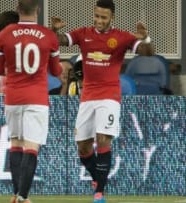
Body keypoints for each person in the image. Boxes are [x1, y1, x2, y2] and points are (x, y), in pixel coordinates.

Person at [51, 0, 152, 202]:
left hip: (109, 96)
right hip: (87, 96)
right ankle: (98, 178)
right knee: (83, 147)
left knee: (103, 138)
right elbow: (58, 41)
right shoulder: (83, 33)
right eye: (96, 16)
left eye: (103, 17)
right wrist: (53, 29)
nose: (99, 20)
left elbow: (148, 53)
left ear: (111, 18)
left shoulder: (121, 37)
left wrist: (146, 38)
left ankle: (99, 194)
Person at [0, 0, 66, 202]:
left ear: (18, 9)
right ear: (38, 10)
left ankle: (16, 195)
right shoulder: (48, 36)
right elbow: (56, 70)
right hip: (37, 98)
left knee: (15, 143)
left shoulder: (5, 34)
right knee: (31, 147)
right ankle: (23, 196)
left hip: (13, 97)